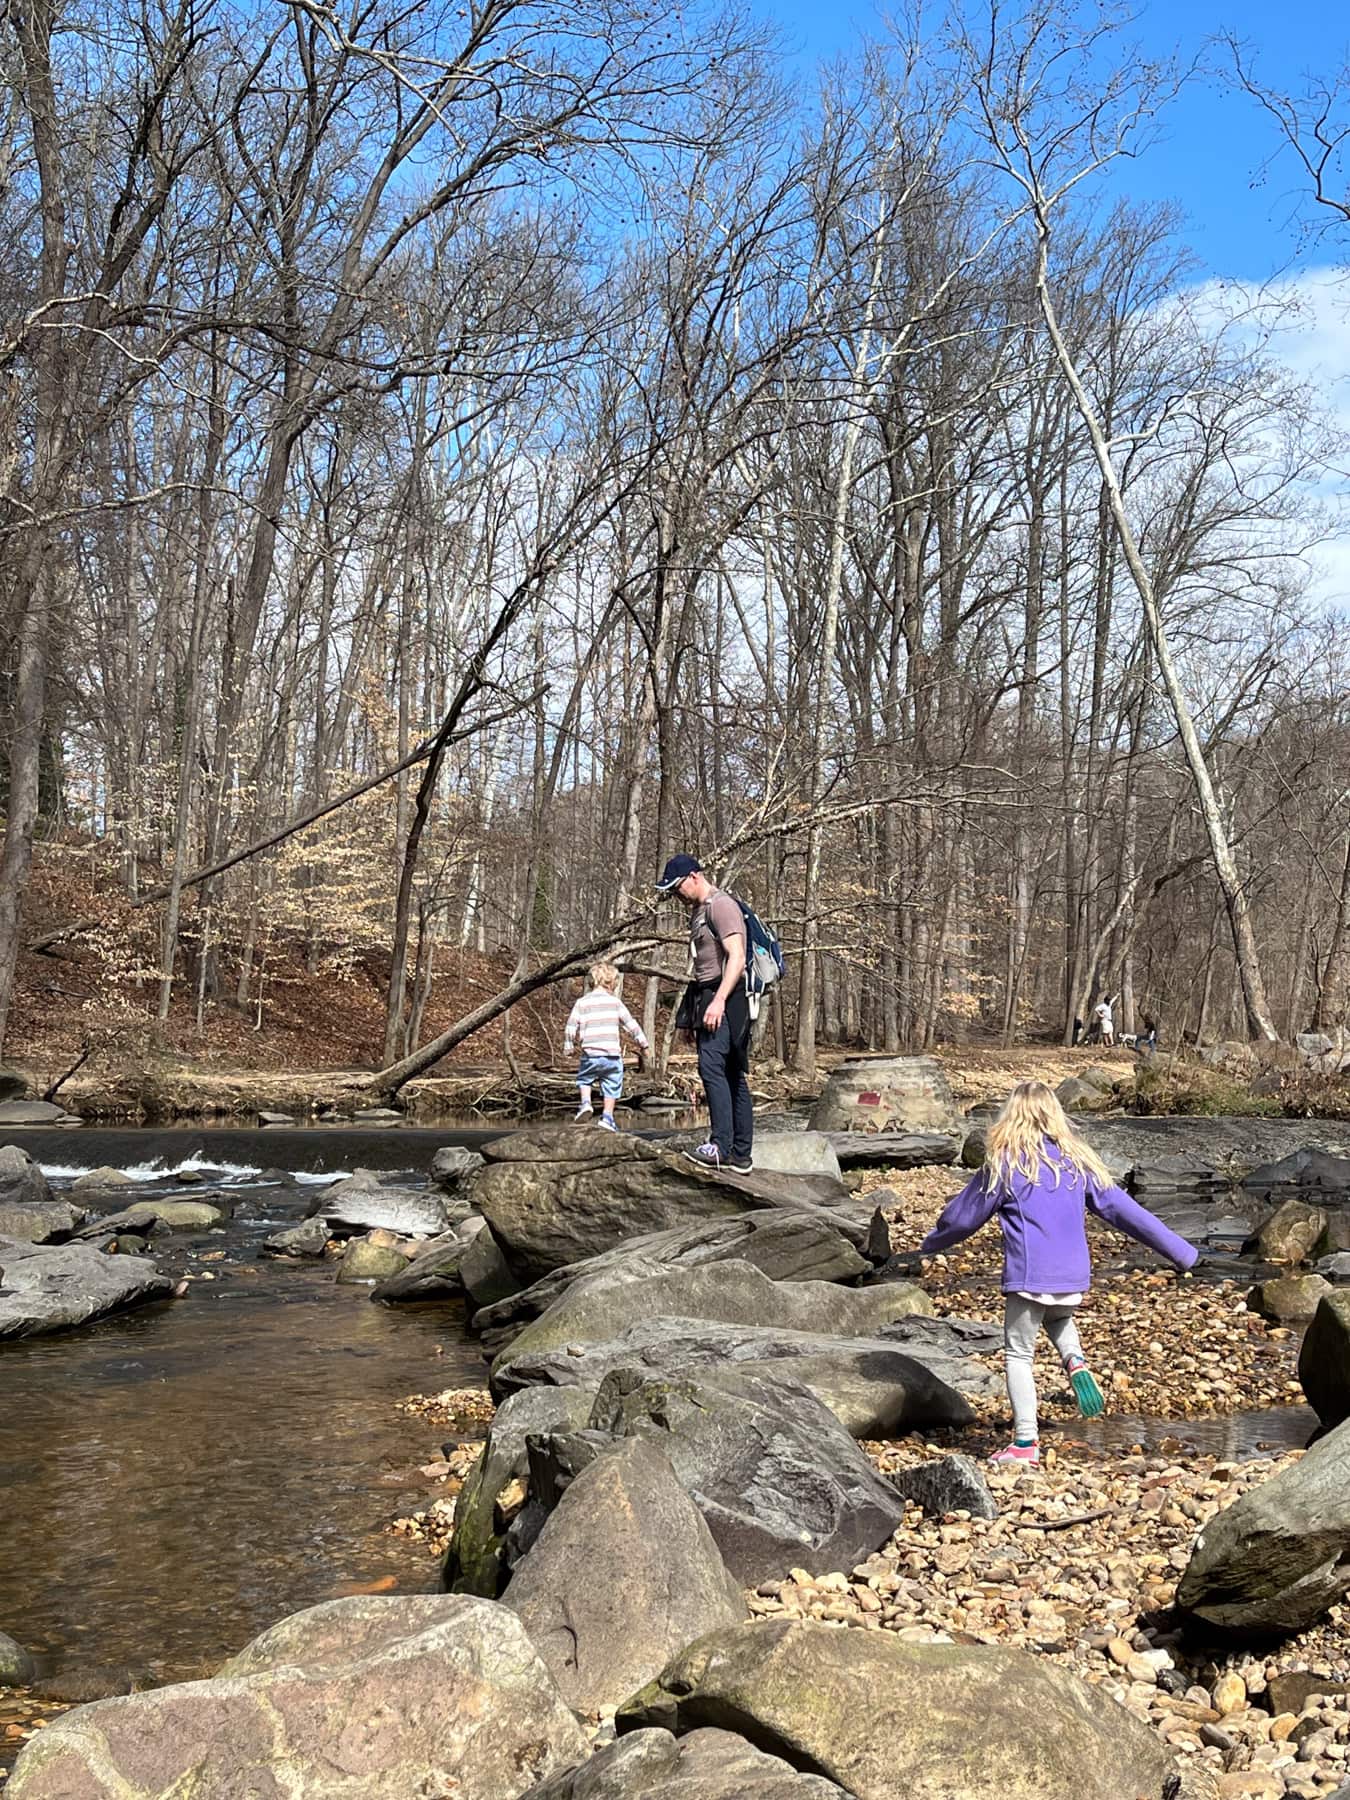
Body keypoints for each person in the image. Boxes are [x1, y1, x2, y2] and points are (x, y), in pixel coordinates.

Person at [914, 1079, 1197, 1466]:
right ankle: (1074, 1360)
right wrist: (1181, 1252)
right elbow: (1126, 1213)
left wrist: (931, 1241)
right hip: (1072, 1277)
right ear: (1055, 1115)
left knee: (1017, 1353)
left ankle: (1025, 1443)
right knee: (1059, 1316)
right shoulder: (1078, 1161)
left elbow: (964, 1217)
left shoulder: (1006, 1162)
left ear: (1012, 1115)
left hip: (1031, 1276)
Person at [656, 852, 753, 1173]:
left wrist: (719, 1001)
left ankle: (721, 1147)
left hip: (727, 996)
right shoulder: (698, 911)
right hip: (708, 995)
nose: (675, 894)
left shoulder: (721, 906)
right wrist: (691, 1014)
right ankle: (741, 1156)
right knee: (729, 1074)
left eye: (677, 886)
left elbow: (736, 958)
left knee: (712, 1068)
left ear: (694, 877)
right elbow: (702, 967)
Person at [562, 961, 649, 1131]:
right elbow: (631, 1025)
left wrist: (568, 1045)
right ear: (612, 983)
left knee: (584, 1079)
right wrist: (643, 1044)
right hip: (612, 1056)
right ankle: (607, 1117)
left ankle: (586, 1103)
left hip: (591, 1054)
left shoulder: (582, 1002)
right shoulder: (615, 1003)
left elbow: (571, 1025)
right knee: (612, 1085)